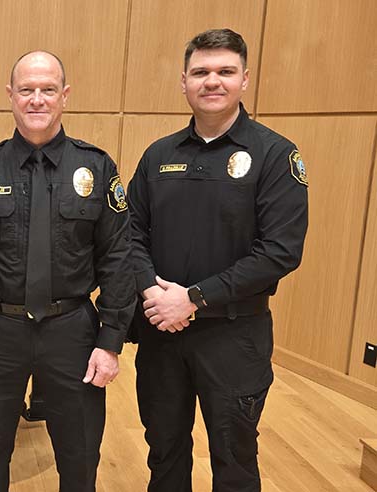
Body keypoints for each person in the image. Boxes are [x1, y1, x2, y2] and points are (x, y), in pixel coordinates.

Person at [127, 28, 308, 491]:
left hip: (234, 337)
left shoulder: (274, 155)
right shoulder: (158, 155)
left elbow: (280, 252)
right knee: (164, 451)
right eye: (200, 72)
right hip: (161, 331)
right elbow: (128, 235)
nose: (213, 81)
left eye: (225, 71)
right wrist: (152, 291)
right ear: (183, 81)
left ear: (245, 79)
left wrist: (193, 298)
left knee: (234, 460)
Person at [0, 50, 136, 492]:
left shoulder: (97, 167)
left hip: (72, 331)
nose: (37, 99)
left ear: (64, 96)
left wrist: (110, 342)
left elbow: (117, 258)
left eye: (48, 89)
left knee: (80, 455)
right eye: (27, 90)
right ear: (10, 96)